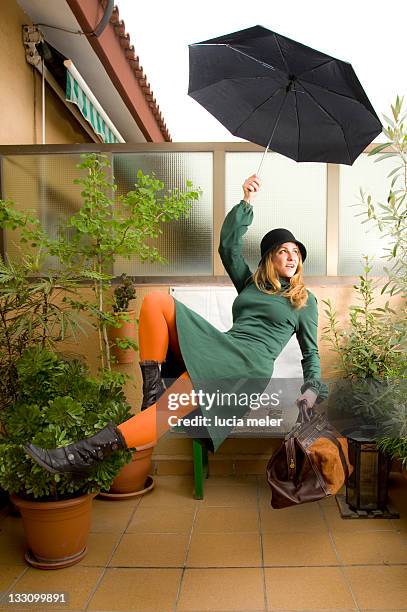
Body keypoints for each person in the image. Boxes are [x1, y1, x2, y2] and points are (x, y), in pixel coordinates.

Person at [25, 175, 328, 474]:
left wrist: (312, 389)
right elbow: (228, 248)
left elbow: (311, 354)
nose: (292, 257)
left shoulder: (304, 301)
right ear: (269, 259)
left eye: (296, 253)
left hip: (247, 365)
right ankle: (151, 392)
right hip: (224, 347)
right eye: (284, 251)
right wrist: (246, 201)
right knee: (157, 301)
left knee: (164, 413)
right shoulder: (252, 285)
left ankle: (77, 456)